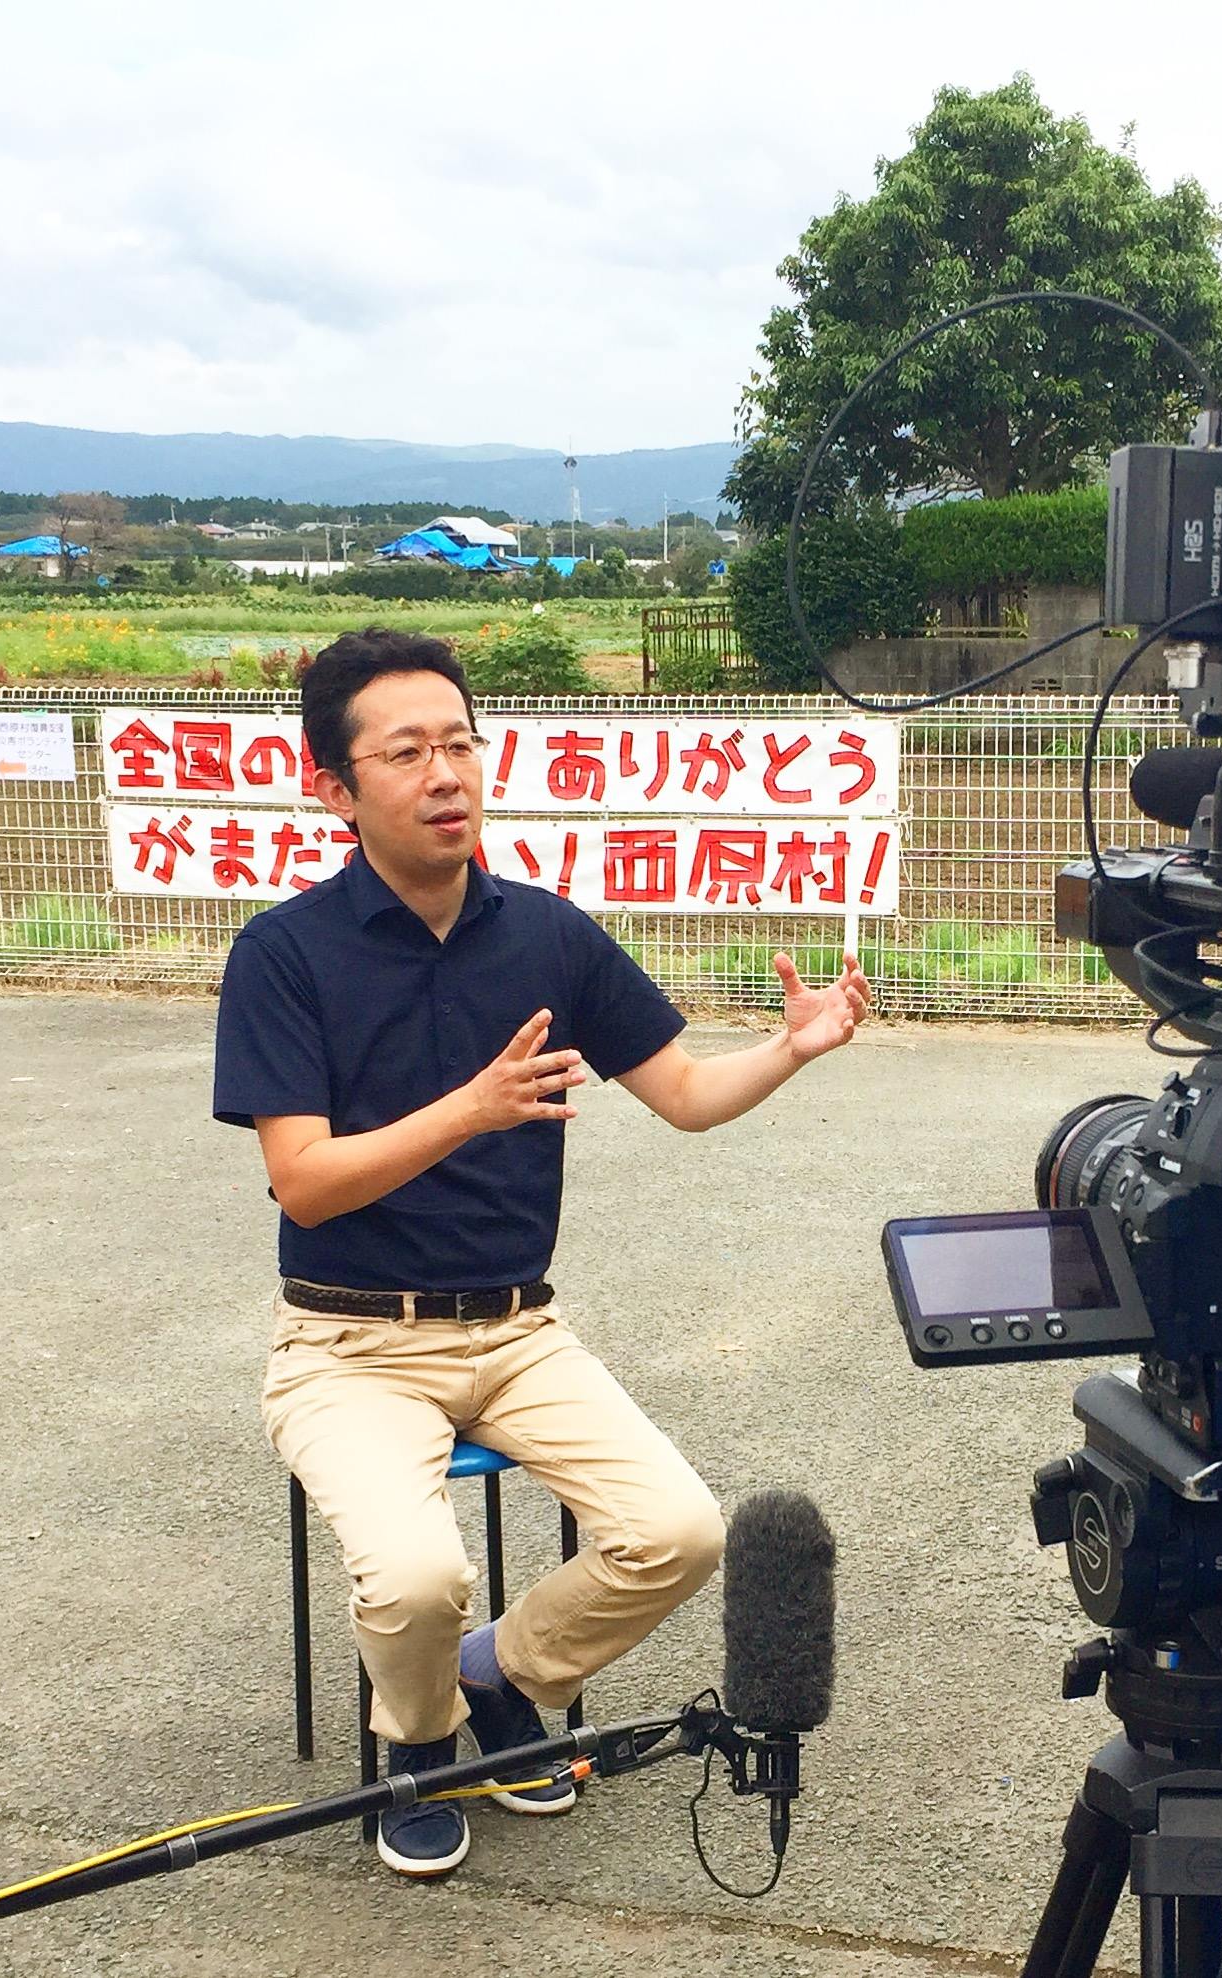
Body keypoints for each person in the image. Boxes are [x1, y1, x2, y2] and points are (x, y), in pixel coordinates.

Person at [212, 627, 871, 1880]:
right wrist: (471, 1107)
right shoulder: (284, 954)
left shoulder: (548, 934)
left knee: (678, 1530)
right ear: (333, 790)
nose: (446, 773)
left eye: (459, 741)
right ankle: (417, 1744)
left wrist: (791, 1048)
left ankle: (494, 1678)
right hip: (347, 1341)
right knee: (413, 1573)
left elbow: (679, 1090)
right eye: (405, 751)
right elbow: (298, 1175)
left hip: (517, 1331)